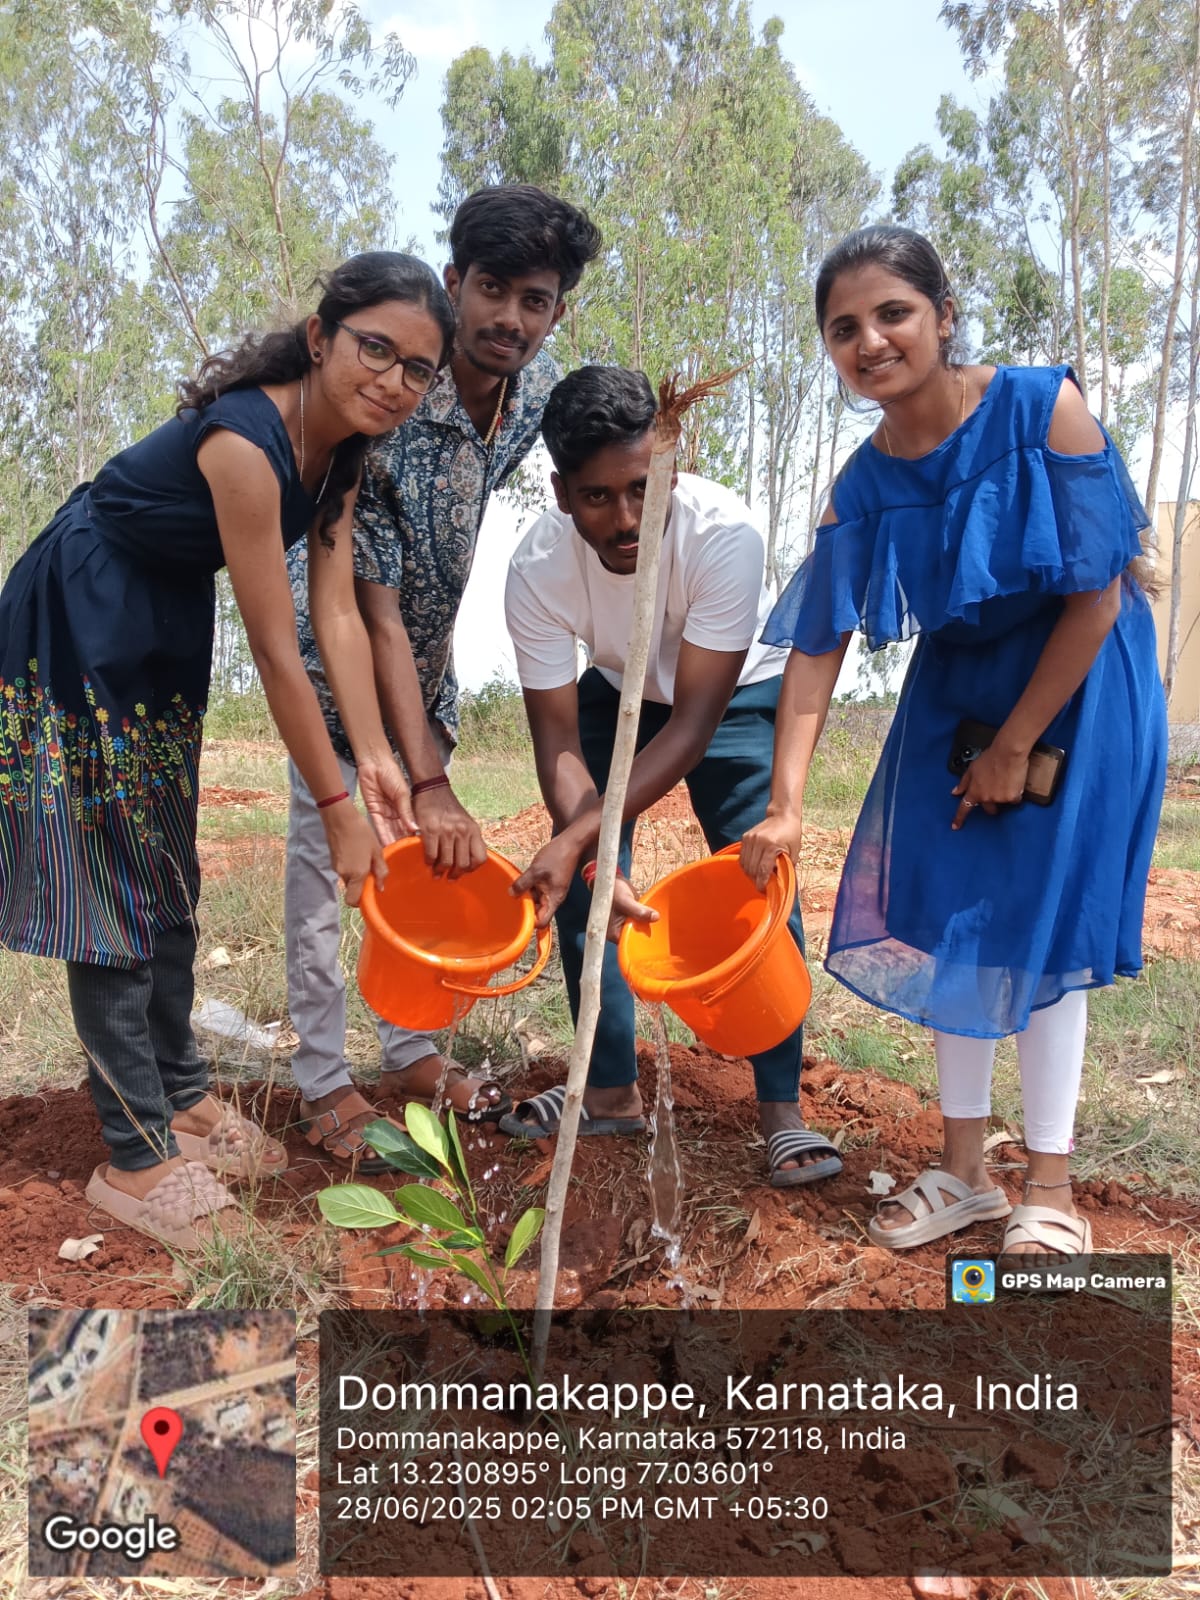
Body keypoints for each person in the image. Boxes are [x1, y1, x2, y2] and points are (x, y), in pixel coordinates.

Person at [0, 252, 456, 1250]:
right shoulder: (248, 442)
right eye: (376, 348)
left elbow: (337, 617)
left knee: (165, 859)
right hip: (85, 605)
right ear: (320, 338)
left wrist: (376, 758)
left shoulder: (342, 456)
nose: (393, 380)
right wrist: (336, 807)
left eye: (419, 368)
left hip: (161, 614)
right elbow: (277, 652)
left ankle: (180, 1093)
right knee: (109, 876)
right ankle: (134, 1153)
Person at [741, 225, 1167, 1261]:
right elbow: (817, 645)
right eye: (844, 328)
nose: (871, 342)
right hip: (957, 692)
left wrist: (1016, 745)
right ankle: (965, 1175)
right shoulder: (863, 483)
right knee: (946, 917)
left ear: (942, 314)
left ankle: (1050, 1189)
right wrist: (786, 803)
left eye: (892, 313)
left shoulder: (1041, 408)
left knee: (1039, 924)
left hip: (1076, 680)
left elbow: (1097, 598)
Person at [285, 185, 601, 1169]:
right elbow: (371, 614)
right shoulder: (388, 412)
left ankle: (412, 1053)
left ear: (557, 312)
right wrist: (425, 779)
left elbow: (602, 443)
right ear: (454, 281)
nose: (510, 318)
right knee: (329, 881)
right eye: (493, 289)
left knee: (419, 878)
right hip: (336, 677)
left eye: (535, 300)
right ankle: (322, 1080)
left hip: (428, 677)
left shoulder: (525, 403)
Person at [496, 365, 843, 1188]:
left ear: (672, 469)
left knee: (754, 875)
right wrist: (587, 850)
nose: (625, 521)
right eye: (596, 497)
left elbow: (691, 728)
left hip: (730, 696)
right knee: (587, 881)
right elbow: (557, 738)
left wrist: (574, 839)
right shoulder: (536, 569)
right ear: (560, 492)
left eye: (643, 489)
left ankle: (781, 1108)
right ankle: (608, 1090)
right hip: (615, 689)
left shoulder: (725, 534)